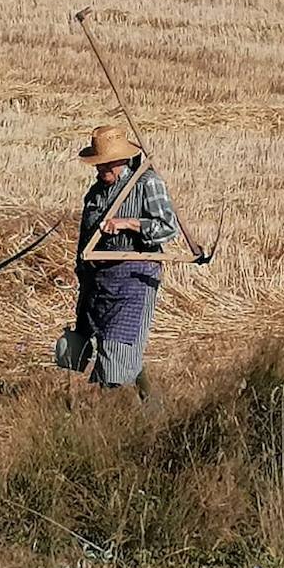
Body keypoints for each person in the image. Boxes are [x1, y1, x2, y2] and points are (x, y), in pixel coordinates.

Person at [68, 125, 178, 398]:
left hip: (135, 277)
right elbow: (85, 238)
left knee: (118, 345)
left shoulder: (146, 183)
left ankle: (113, 415)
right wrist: (81, 270)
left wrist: (128, 224)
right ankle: (150, 403)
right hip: (98, 279)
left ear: (120, 160)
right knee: (90, 344)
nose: (99, 170)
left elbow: (167, 227)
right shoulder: (95, 193)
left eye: (104, 164)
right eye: (97, 164)